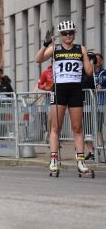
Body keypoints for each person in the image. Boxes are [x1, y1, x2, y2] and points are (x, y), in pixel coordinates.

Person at [35, 20, 93, 175]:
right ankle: (54, 159)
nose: (68, 36)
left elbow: (89, 72)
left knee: (77, 127)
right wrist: (45, 44)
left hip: (75, 89)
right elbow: (38, 59)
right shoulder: (55, 48)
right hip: (59, 89)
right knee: (56, 127)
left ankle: (80, 161)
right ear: (60, 35)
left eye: (71, 33)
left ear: (74, 33)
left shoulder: (81, 49)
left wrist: (88, 58)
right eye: (65, 33)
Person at [85, 53, 106, 160]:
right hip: (89, 105)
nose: (95, 61)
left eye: (97, 60)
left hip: (100, 104)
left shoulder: (103, 73)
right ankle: (92, 152)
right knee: (88, 129)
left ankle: (102, 151)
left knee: (98, 128)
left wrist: (100, 86)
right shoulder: (88, 73)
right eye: (94, 60)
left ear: (101, 61)